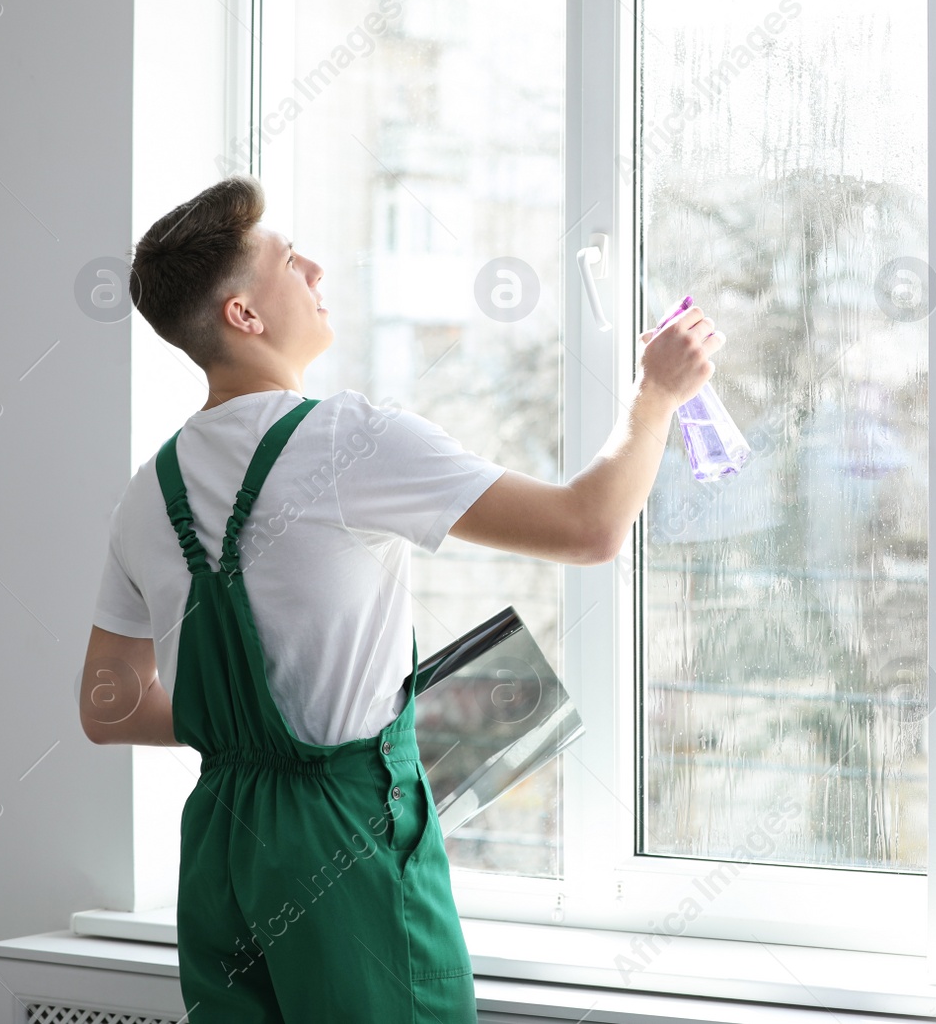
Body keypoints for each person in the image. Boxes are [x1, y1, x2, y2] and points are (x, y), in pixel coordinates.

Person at [78, 175, 722, 1022]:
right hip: (348, 837)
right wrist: (656, 396)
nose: (312, 266)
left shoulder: (146, 489)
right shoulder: (348, 438)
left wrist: (244, 725)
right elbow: (588, 526)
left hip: (222, 844)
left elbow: (108, 705)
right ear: (243, 314)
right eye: (284, 257)